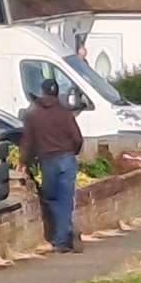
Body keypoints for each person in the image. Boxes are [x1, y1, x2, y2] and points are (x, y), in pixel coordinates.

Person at [19, 77, 83, 253]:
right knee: (65, 199)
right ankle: (65, 232)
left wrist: (24, 161)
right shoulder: (65, 112)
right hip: (67, 158)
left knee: (52, 198)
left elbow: (28, 142)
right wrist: (72, 152)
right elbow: (77, 138)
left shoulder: (33, 115)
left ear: (43, 91)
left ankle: (62, 238)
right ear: (56, 93)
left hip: (48, 160)